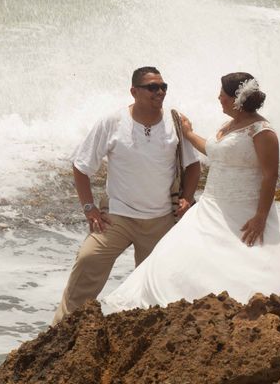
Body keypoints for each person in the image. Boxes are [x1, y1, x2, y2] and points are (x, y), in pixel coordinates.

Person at [103, 72, 280, 312]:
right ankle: (177, 306)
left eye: (222, 93)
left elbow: (269, 176)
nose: (218, 98)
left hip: (245, 209)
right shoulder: (230, 125)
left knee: (248, 264)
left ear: (236, 99)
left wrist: (261, 217)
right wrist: (189, 133)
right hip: (211, 205)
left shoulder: (263, 131)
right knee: (176, 256)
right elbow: (216, 151)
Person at [52, 67, 201, 325]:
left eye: (163, 86)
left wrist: (187, 198)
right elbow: (81, 165)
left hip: (161, 220)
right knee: (88, 260)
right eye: (152, 87)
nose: (160, 92)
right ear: (134, 92)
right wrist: (89, 208)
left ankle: (146, 340)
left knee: (156, 293)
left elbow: (193, 166)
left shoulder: (175, 122)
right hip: (117, 218)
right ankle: (60, 330)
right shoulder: (112, 121)